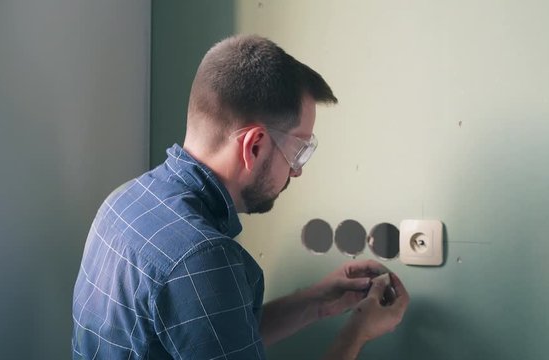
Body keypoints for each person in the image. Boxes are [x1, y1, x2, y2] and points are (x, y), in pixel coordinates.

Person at [72, 34, 409, 360]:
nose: (297, 171)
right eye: (298, 150)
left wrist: (316, 302)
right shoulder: (201, 258)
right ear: (255, 146)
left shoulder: (125, 200)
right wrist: (358, 333)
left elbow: (214, 336)